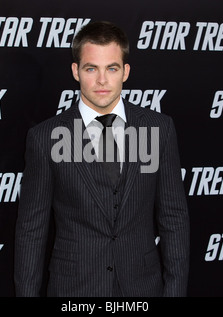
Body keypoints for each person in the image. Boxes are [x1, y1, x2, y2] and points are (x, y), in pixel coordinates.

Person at [14, 21, 189, 297]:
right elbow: (31, 231)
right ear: (76, 71)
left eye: (112, 68)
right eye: (91, 68)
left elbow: (174, 219)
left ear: (125, 72)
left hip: (142, 288)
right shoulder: (45, 138)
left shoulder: (159, 129)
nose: (102, 80)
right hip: (74, 289)